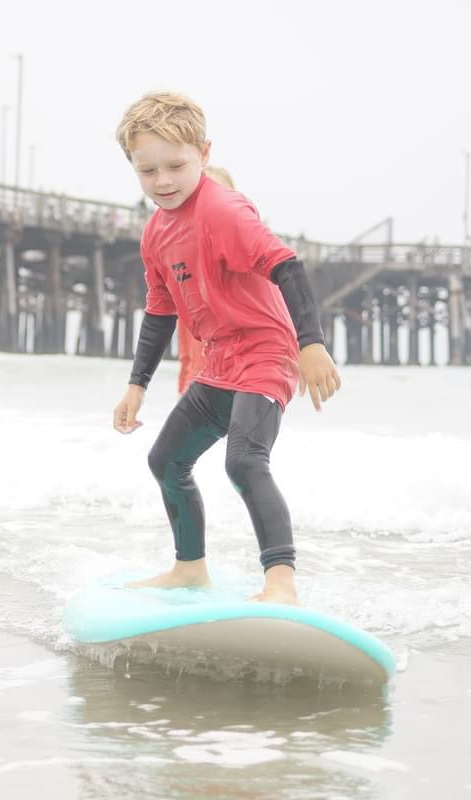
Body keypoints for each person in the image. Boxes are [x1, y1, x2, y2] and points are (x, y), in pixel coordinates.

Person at [111, 91, 341, 605]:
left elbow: (288, 266)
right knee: (166, 461)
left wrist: (311, 345)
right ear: (133, 167)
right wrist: (136, 385)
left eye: (176, 165)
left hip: (265, 352)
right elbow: (160, 311)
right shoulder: (155, 232)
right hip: (219, 361)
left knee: (244, 462)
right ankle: (190, 570)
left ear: (204, 154)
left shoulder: (223, 209)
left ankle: (281, 583)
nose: (163, 181)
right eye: (148, 171)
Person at [176, 164, 234, 394]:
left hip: (240, 388)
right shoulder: (184, 269)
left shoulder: (246, 260)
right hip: (198, 392)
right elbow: (186, 354)